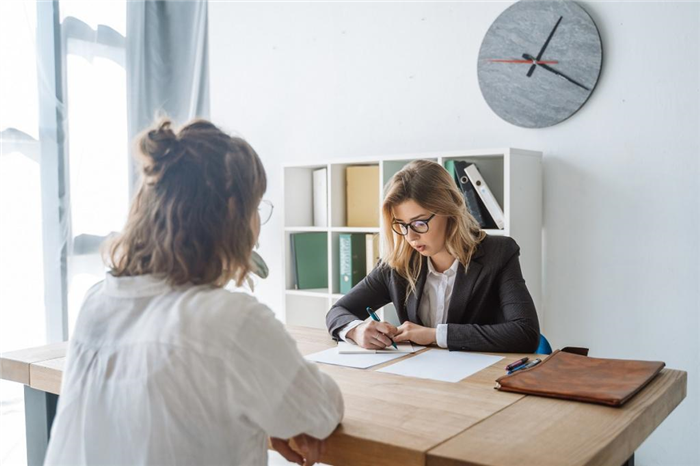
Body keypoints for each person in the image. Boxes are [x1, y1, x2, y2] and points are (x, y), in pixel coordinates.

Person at [45, 118, 343, 466]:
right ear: (232, 212)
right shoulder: (232, 320)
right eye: (256, 207)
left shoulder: (98, 300)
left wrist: (267, 411)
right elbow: (319, 409)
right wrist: (275, 411)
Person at [326, 159, 539, 353]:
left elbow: (525, 333)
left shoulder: (498, 253)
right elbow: (338, 311)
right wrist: (356, 330)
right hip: (420, 380)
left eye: (420, 223)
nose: (410, 236)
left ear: (449, 211)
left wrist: (434, 335)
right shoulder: (397, 263)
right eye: (402, 225)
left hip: (480, 381)